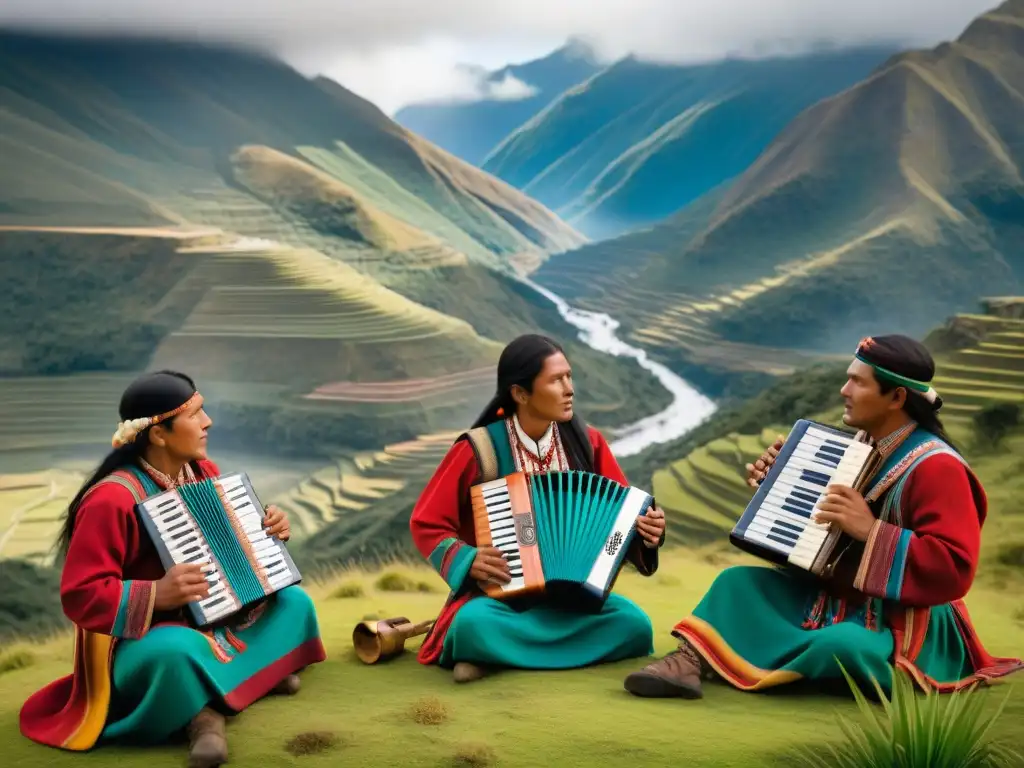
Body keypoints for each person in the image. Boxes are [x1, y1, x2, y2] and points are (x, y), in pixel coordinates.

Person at [622, 334, 1024, 700]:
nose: (844, 390)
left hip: (904, 626)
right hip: (834, 599)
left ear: (897, 398)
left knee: (844, 645)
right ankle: (688, 661)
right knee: (735, 583)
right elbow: (820, 546)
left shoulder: (938, 468)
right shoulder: (856, 447)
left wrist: (872, 531)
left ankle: (742, 658)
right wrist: (777, 489)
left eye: (858, 382)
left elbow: (954, 568)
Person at [19, 371, 326, 768]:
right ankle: (212, 714)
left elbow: (234, 554)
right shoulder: (110, 500)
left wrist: (268, 530)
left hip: (217, 622)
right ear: (159, 434)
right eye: (195, 414)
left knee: (294, 603)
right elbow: (81, 595)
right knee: (174, 654)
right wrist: (156, 594)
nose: (207, 422)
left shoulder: (205, 473)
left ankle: (220, 690)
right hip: (144, 641)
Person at [409, 334, 667, 683]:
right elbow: (427, 522)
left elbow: (623, 519)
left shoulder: (588, 444)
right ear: (520, 393)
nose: (569, 388)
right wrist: (469, 559)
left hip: (573, 601)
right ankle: (516, 649)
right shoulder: (479, 450)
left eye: (569, 377)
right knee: (474, 623)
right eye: (556, 380)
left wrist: (647, 534)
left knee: (635, 624)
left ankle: (494, 657)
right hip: (502, 601)